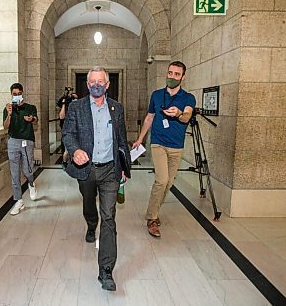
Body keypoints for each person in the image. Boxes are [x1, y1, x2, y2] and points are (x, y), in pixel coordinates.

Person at [62, 66, 131, 292]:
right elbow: (68, 134)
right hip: (87, 170)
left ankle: (106, 270)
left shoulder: (117, 108)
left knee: (109, 217)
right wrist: (74, 150)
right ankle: (91, 224)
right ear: (88, 84)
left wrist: (124, 168)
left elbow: (122, 139)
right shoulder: (76, 107)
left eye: (100, 81)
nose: (96, 84)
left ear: (107, 84)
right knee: (89, 203)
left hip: (110, 170)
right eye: (92, 81)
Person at [132, 61, 196, 238]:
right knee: (162, 179)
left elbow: (187, 117)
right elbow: (149, 118)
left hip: (177, 146)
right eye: (170, 73)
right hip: (158, 142)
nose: (172, 76)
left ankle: (154, 211)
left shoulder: (188, 98)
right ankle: (152, 218)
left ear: (183, 77)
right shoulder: (157, 95)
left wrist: (178, 114)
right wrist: (140, 139)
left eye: (177, 74)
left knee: (168, 183)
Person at [3, 83, 38, 215]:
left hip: (27, 141)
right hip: (13, 141)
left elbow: (36, 121)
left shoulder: (30, 107)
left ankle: (31, 183)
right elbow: (6, 126)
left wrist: (32, 118)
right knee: (14, 173)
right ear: (11, 94)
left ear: (22, 93)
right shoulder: (8, 109)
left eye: (19, 94)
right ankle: (19, 201)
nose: (16, 96)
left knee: (27, 170)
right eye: (14, 94)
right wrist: (10, 114)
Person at [57, 88, 78, 167]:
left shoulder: (77, 106)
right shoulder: (65, 104)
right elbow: (61, 117)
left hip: (76, 130)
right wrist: (64, 103)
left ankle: (73, 162)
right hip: (66, 129)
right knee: (66, 149)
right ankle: (65, 162)